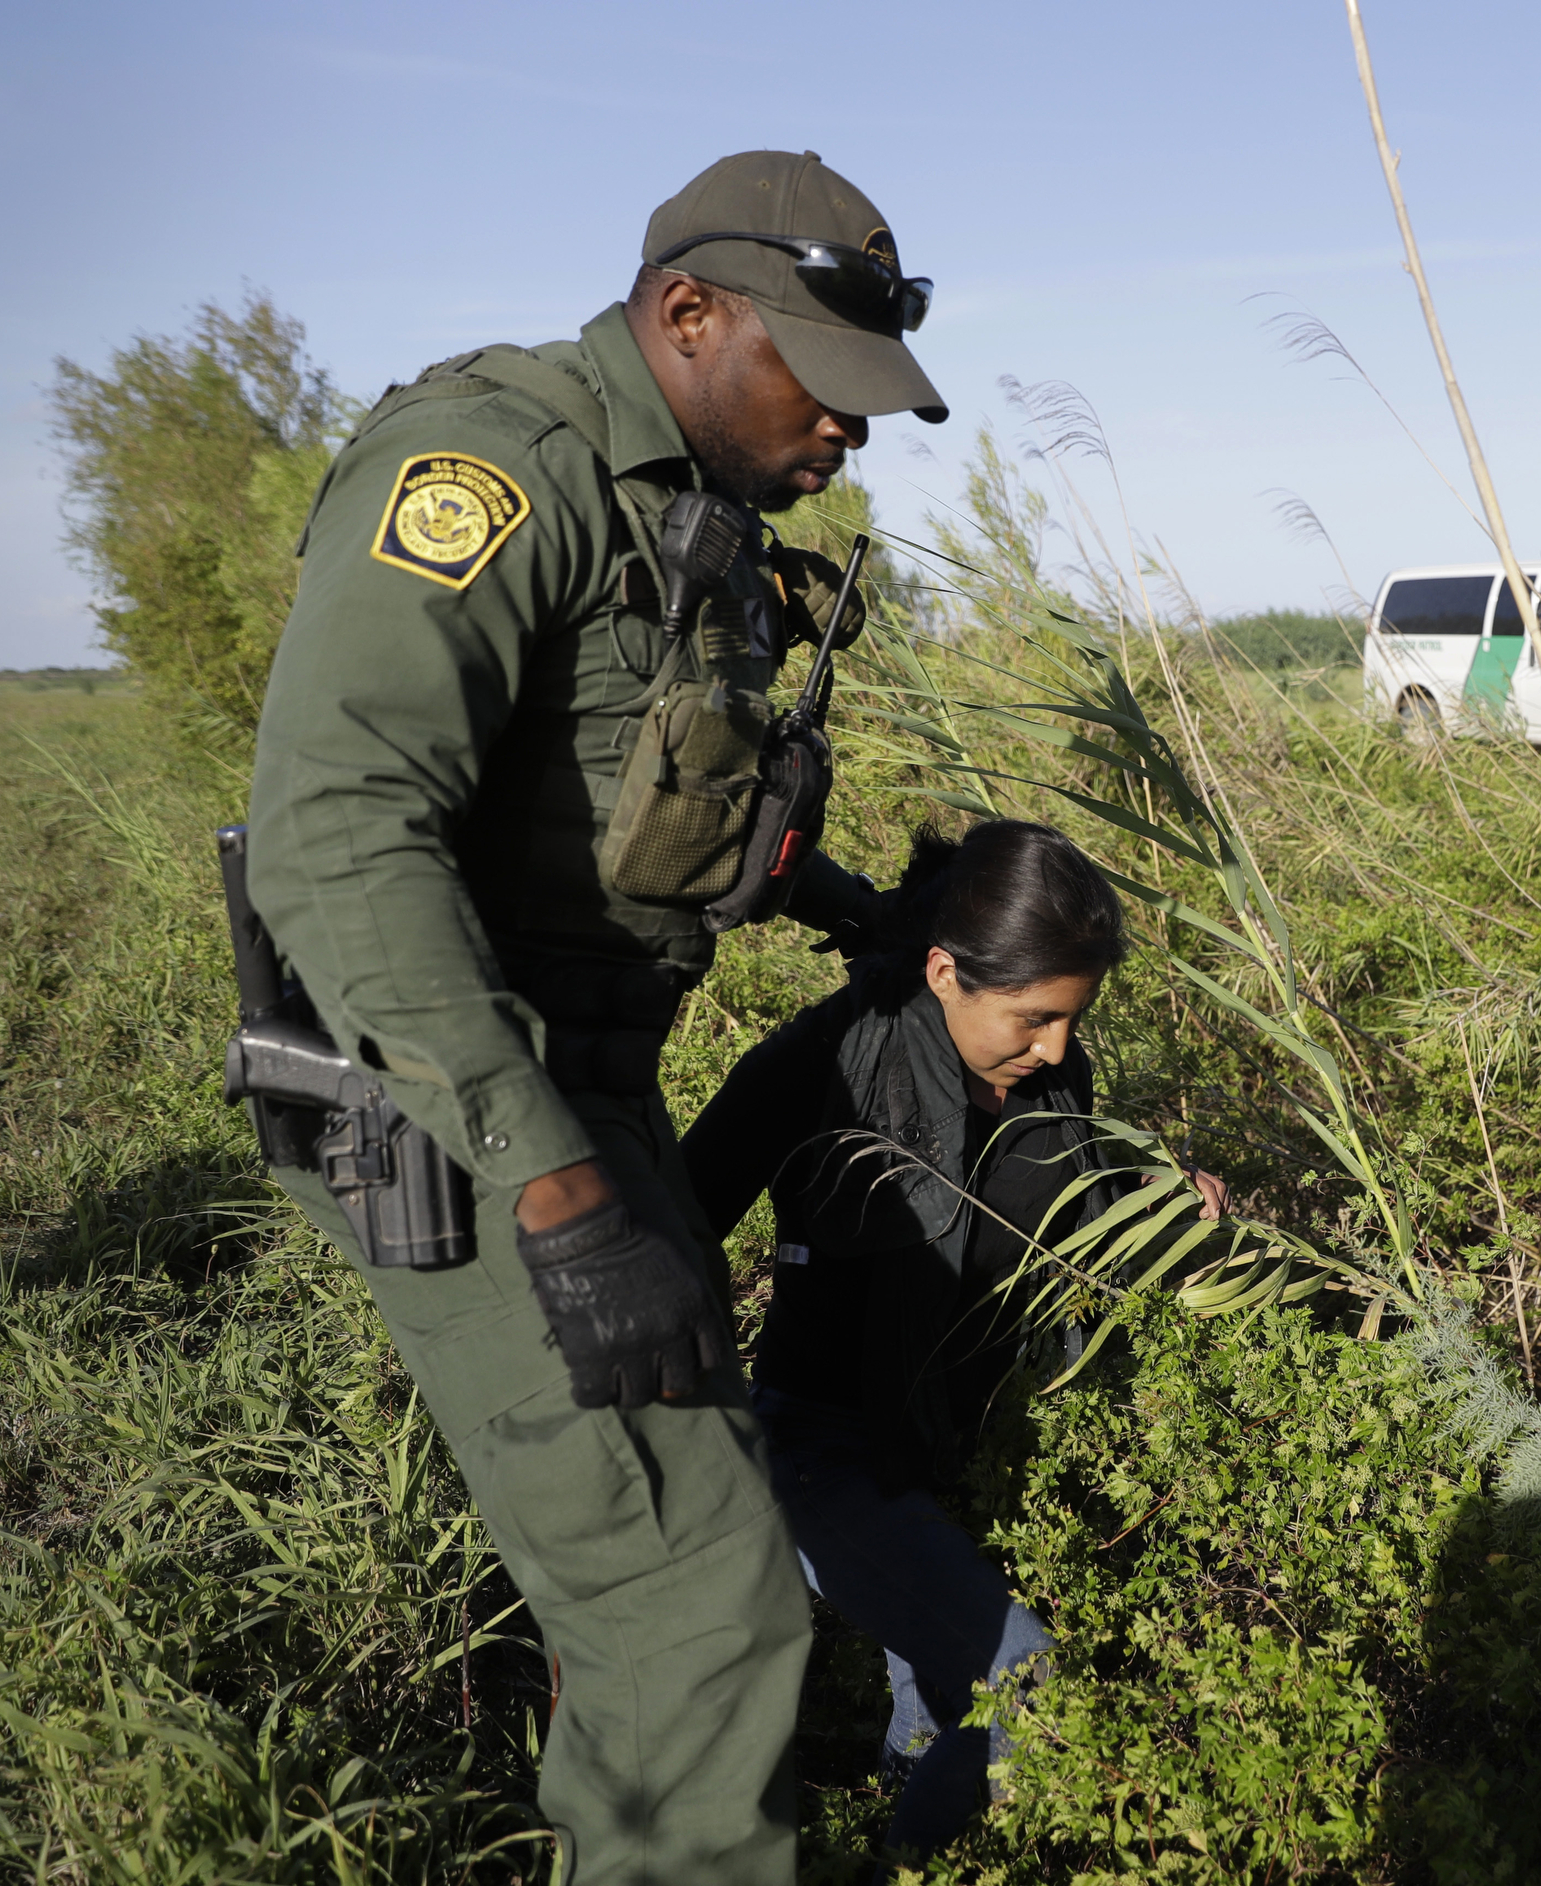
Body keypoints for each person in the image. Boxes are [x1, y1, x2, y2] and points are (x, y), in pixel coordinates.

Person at [242, 150, 949, 1885]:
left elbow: (614, 814)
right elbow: (336, 830)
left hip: (579, 1088)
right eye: (823, 383)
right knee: (699, 1611)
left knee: (665, 1561)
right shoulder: (491, 471)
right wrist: (558, 1198)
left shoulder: (683, 523)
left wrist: (855, 911)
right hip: (458, 1105)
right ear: (687, 313)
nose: (846, 433)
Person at [681, 821, 1227, 1867]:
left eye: (1070, 1020)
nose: (1057, 1048)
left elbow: (1082, 1214)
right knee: (1020, 1681)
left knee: (932, 1721)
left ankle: (885, 1822)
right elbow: (669, 1224)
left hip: (936, 1452)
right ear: (943, 970)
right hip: (820, 1453)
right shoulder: (826, 1062)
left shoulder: (1054, 1076)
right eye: (1033, 1018)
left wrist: (1169, 1206)